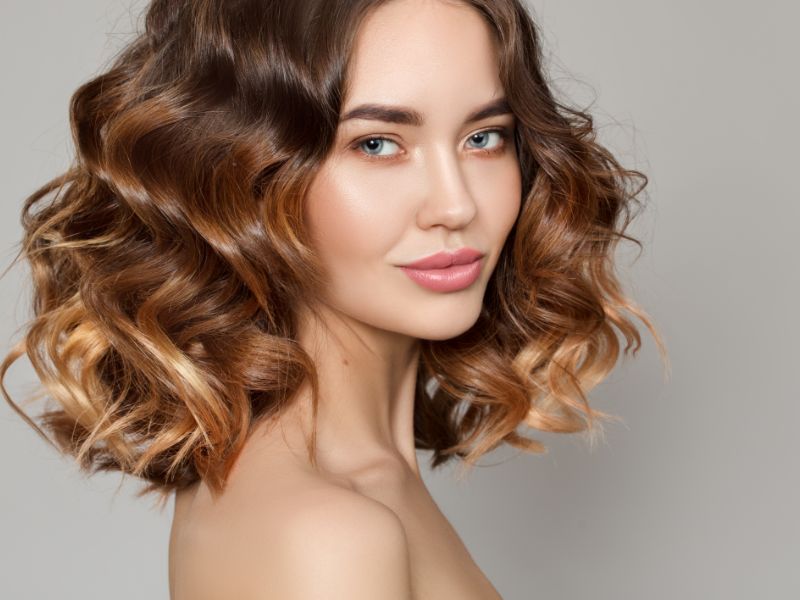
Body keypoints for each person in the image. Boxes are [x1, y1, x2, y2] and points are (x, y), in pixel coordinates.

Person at [0, 0, 667, 598]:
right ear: (246, 177)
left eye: (482, 137)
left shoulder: (363, 484)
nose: (456, 204)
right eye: (378, 144)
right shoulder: (325, 538)